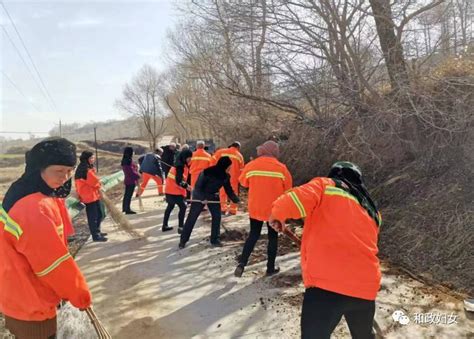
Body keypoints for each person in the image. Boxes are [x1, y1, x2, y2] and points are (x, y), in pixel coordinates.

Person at [269, 161, 382, 339]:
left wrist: (277, 215)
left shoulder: (326, 185)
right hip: (366, 286)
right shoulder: (372, 210)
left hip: (327, 286)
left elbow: (290, 201)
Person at [0, 138, 92, 339]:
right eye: (59, 171)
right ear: (38, 169)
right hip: (32, 303)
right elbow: (52, 263)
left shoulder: (23, 192)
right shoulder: (34, 207)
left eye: (69, 171)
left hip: (16, 294)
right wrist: (79, 295)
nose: (65, 178)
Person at [234, 141, 292, 277]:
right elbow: (288, 189)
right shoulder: (281, 168)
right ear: (274, 152)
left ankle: (242, 263)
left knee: (253, 235)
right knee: (273, 237)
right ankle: (270, 268)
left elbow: (243, 182)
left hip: (255, 207)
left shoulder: (252, 165)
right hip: (274, 210)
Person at [179, 156, 239, 249]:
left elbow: (228, 189)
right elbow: (198, 186)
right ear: (225, 165)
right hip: (200, 195)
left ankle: (215, 239)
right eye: (229, 166)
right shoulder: (206, 172)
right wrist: (203, 198)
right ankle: (183, 240)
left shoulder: (225, 176)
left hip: (213, 196)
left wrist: (235, 199)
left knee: (217, 216)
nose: (230, 168)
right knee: (192, 217)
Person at [74, 151, 107, 242]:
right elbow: (94, 182)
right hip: (89, 196)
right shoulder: (85, 169)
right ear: (87, 159)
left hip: (92, 195)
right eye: (92, 158)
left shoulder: (85, 168)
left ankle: (97, 232)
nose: (93, 159)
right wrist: (100, 185)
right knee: (94, 216)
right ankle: (95, 236)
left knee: (99, 214)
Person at [162, 149, 193, 232]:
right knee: (183, 207)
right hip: (175, 191)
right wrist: (187, 186)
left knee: (170, 206)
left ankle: (164, 225)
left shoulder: (178, 164)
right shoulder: (180, 167)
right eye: (188, 158)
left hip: (169, 190)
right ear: (184, 157)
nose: (190, 160)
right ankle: (181, 227)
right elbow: (178, 180)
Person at [212, 141, 244, 215]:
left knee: (222, 192)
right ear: (238, 147)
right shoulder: (239, 155)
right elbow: (241, 170)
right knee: (233, 193)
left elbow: (212, 161)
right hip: (234, 178)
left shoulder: (221, 152)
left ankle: (223, 209)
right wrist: (240, 179)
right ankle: (233, 210)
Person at [121, 147, 140, 215]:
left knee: (127, 195)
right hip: (130, 180)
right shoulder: (127, 161)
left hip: (128, 179)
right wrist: (138, 176)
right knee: (128, 195)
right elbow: (131, 171)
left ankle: (125, 208)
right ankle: (127, 209)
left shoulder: (126, 160)